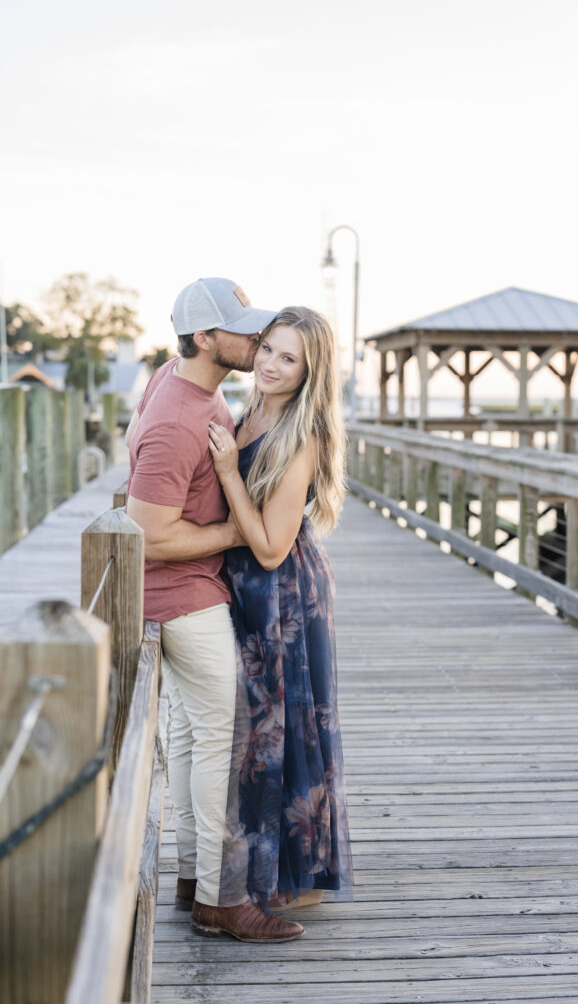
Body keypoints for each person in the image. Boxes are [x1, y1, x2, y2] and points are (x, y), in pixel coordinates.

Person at [126, 277, 305, 943]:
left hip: (183, 592)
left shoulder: (181, 381)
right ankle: (222, 900)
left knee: (189, 736)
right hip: (185, 598)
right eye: (244, 331)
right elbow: (148, 532)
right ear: (205, 338)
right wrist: (234, 534)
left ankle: (193, 877)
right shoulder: (178, 416)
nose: (257, 341)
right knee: (220, 746)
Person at [206, 306, 353, 918]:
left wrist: (225, 472)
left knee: (283, 725)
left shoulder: (304, 434)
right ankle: (248, 871)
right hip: (243, 586)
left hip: (283, 593)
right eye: (266, 348)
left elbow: (269, 546)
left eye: (287, 358)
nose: (268, 364)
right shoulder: (249, 408)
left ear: (309, 371)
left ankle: (290, 875)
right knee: (254, 726)